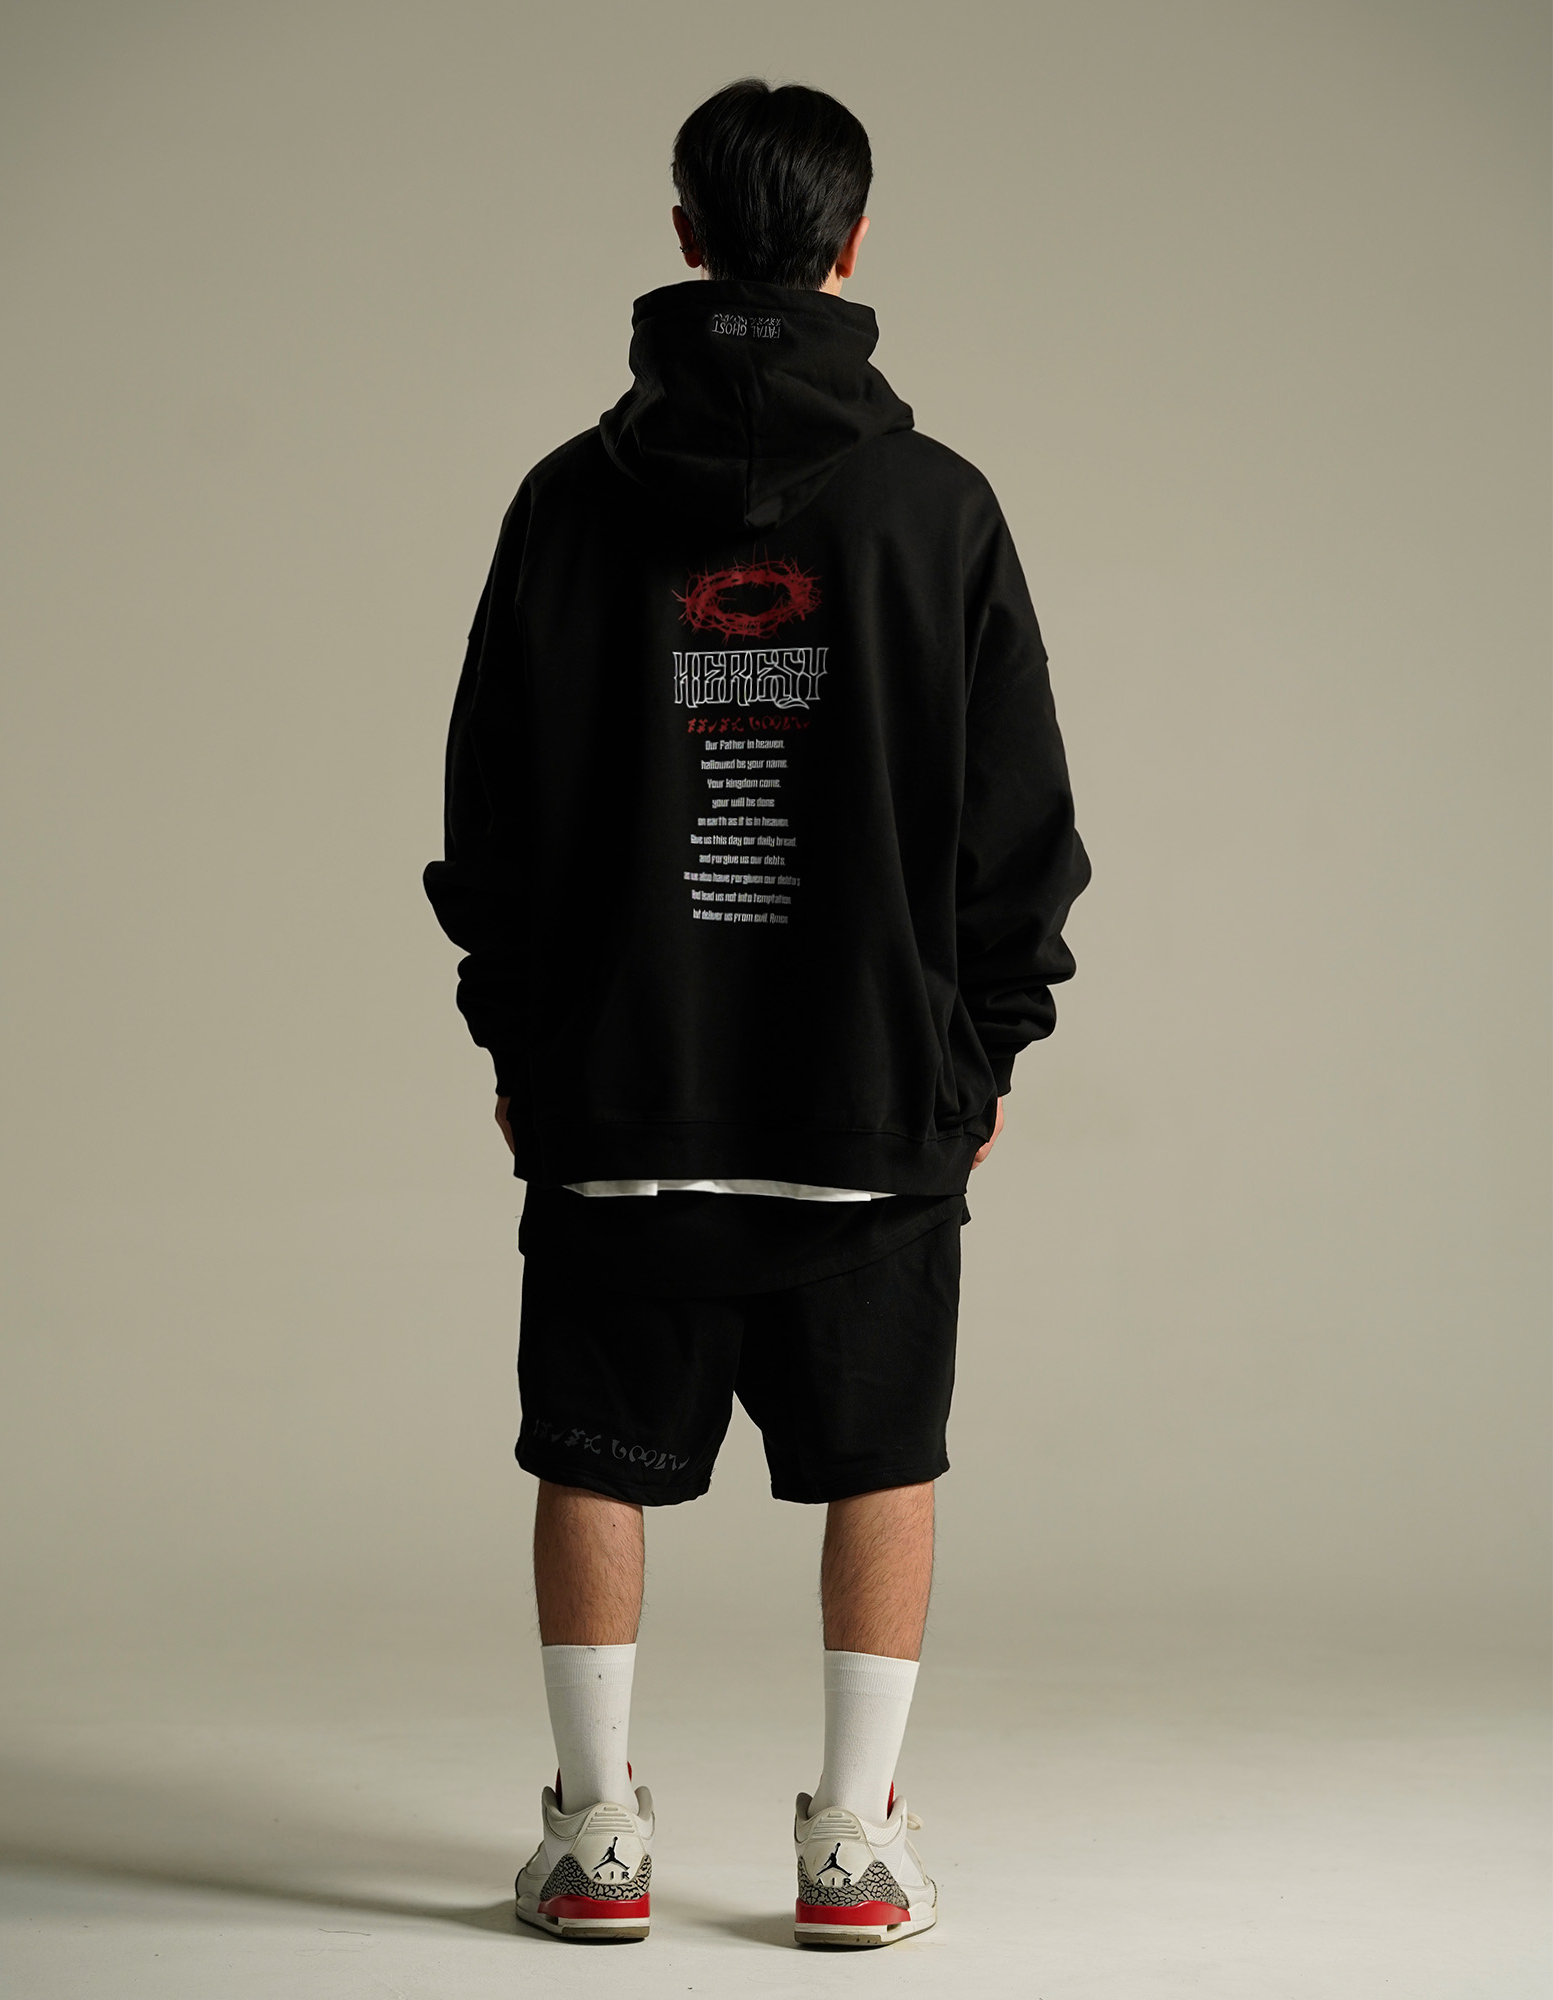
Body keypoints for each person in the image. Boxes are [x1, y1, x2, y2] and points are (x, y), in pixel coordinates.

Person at [422, 76, 1090, 1949]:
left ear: (685, 235)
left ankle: (595, 1838)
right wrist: (979, 1052)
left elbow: (492, 809)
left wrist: (521, 1039)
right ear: (852, 244)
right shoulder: (939, 511)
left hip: (621, 1091)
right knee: (884, 1458)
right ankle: (852, 1852)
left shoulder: (566, 503)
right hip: (866, 1094)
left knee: (589, 1448)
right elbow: (1020, 825)